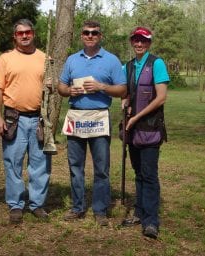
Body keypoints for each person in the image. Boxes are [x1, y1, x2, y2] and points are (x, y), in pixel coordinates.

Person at [58, 20, 127, 226]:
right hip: (76, 117)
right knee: (75, 166)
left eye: (94, 33)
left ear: (100, 36)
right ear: (81, 35)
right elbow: (61, 87)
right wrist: (69, 90)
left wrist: (101, 87)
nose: (90, 36)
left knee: (101, 168)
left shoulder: (111, 60)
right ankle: (77, 207)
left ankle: (100, 210)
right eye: (86, 33)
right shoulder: (72, 60)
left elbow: (122, 90)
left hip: (99, 117)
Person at [0, 19, 51, 224]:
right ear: (14, 36)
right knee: (13, 163)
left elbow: (51, 89)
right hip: (13, 118)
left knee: (40, 164)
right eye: (20, 33)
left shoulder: (45, 58)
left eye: (28, 32)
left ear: (33, 33)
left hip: (38, 118)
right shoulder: (6, 59)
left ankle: (37, 204)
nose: (24, 36)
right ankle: (16, 204)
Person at [121, 27, 170, 239]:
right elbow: (125, 91)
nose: (139, 44)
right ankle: (139, 213)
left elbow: (161, 98)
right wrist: (125, 101)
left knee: (149, 175)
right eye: (136, 40)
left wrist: (137, 116)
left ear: (149, 43)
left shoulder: (157, 63)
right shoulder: (129, 66)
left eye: (143, 41)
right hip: (132, 130)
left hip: (150, 128)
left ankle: (151, 221)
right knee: (139, 172)